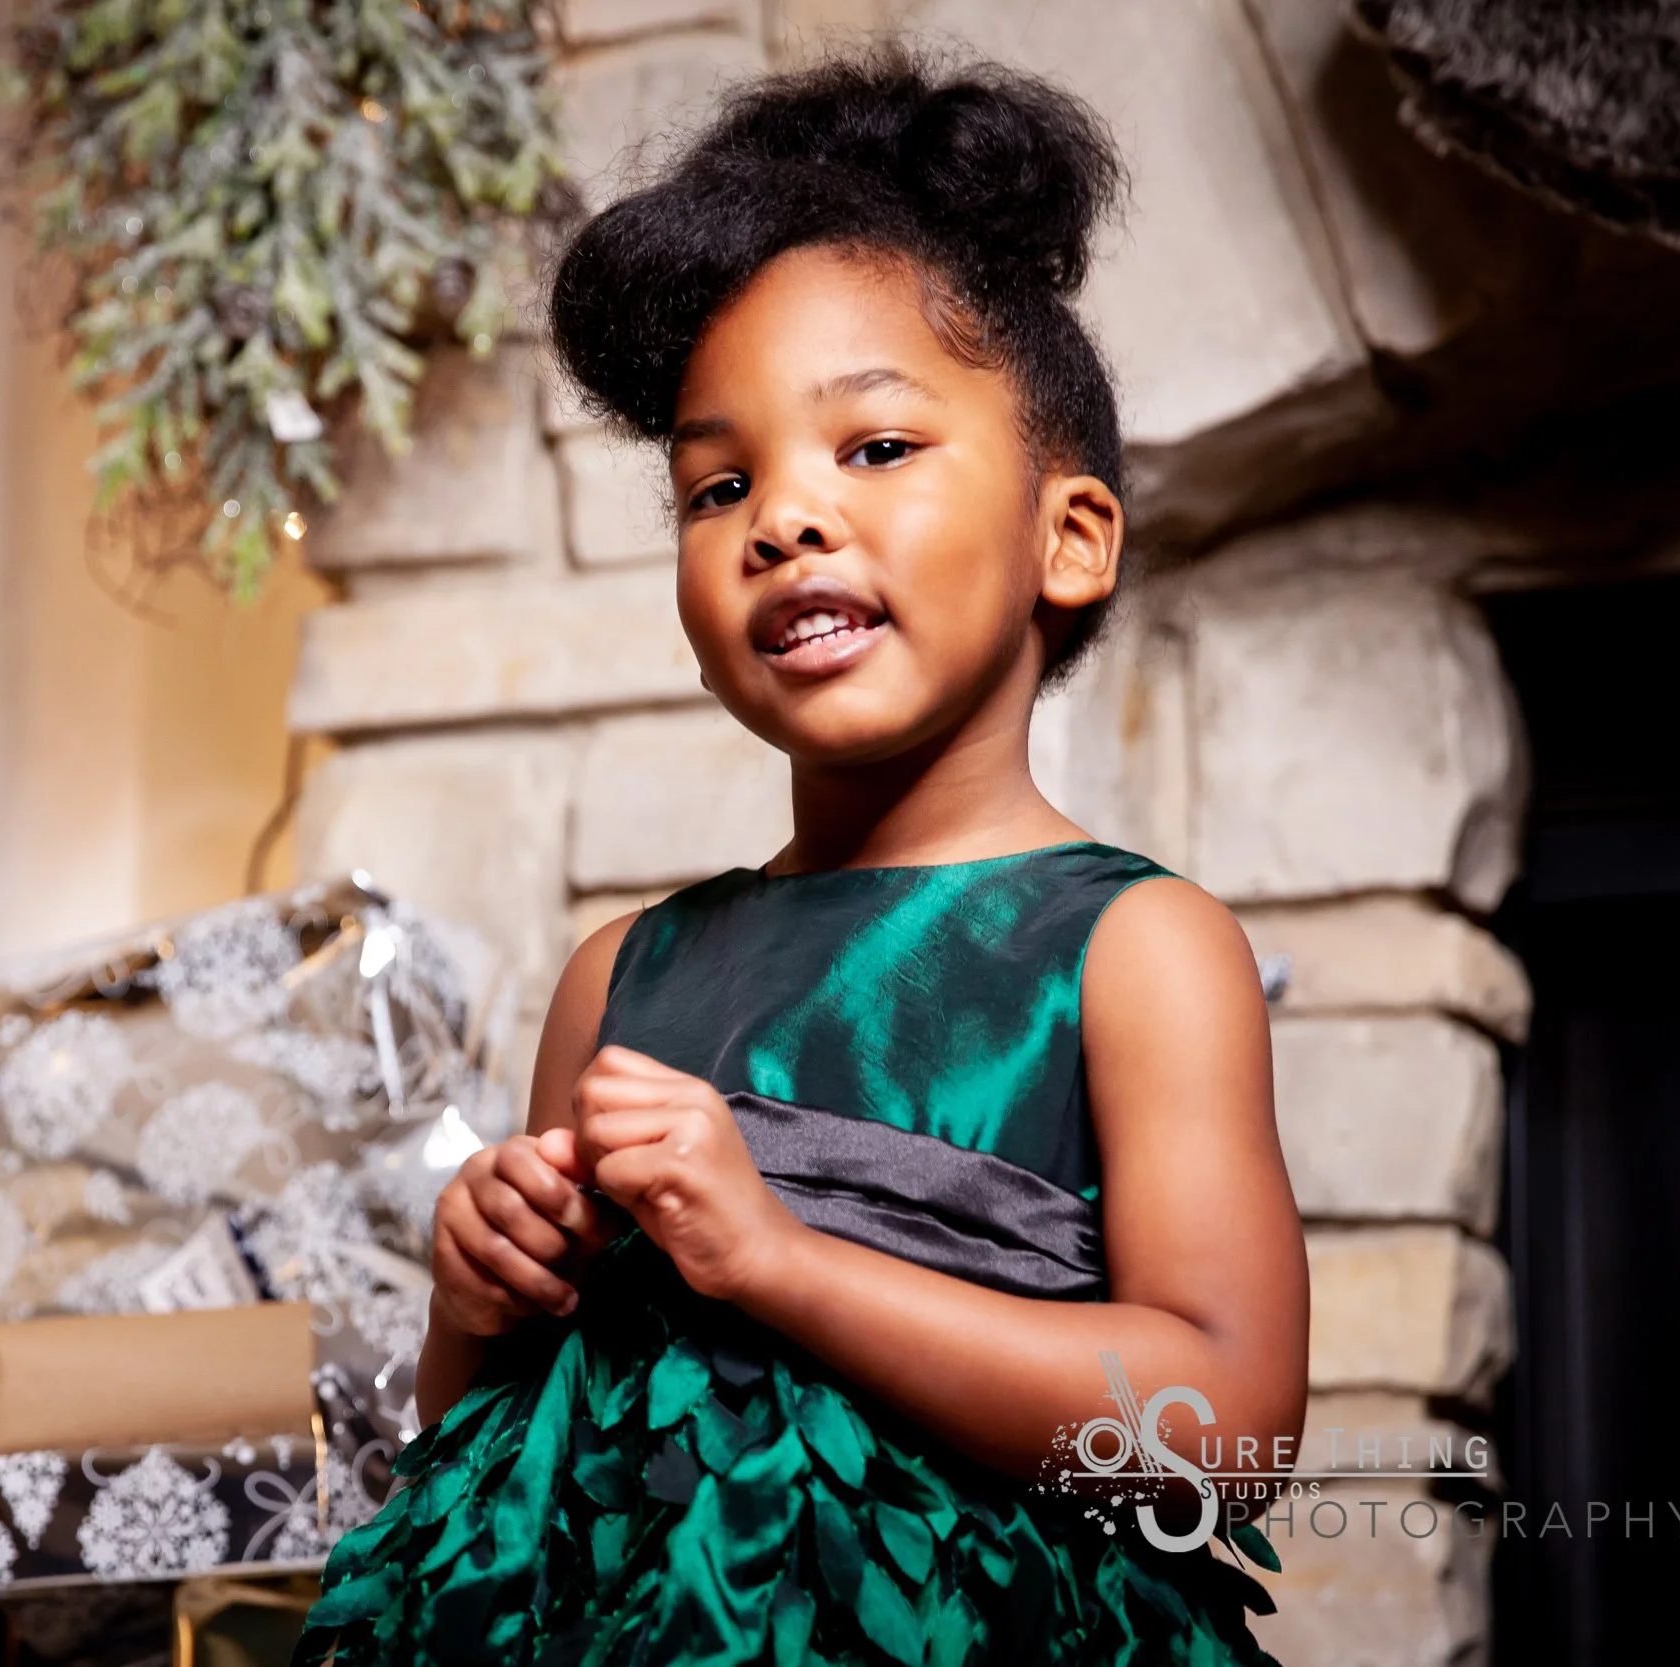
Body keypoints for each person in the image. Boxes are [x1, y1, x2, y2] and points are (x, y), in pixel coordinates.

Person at [296, 41, 1309, 1666]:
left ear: (1071, 536)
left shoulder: (1134, 948)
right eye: (717, 483)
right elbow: (492, 1479)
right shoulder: (622, 978)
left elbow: (1230, 1430)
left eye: (877, 448)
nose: (783, 517)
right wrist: (475, 1307)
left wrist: (775, 1259)